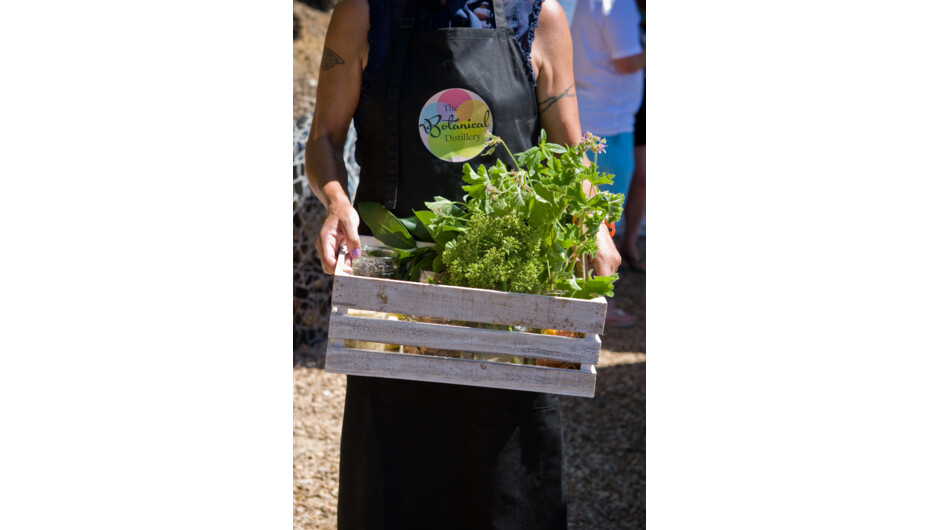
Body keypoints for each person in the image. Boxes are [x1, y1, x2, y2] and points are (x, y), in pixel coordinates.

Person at [306, 0, 620, 527]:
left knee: (508, 488)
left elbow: (569, 150)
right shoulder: (364, 11)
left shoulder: (541, 18)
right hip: (395, 304)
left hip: (510, 298)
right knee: (395, 485)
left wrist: (589, 219)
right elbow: (324, 139)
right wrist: (337, 202)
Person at [570, 0, 645, 269]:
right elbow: (626, 61)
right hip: (609, 127)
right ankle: (602, 304)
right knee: (601, 232)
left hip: (594, 117)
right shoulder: (619, 5)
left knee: (583, 225)